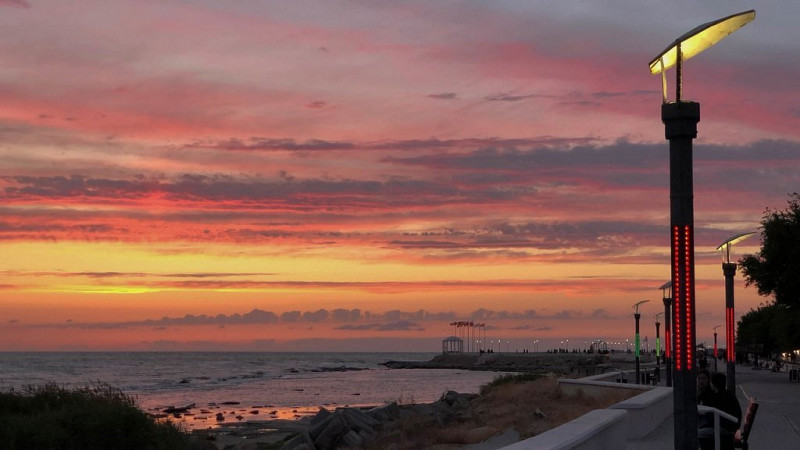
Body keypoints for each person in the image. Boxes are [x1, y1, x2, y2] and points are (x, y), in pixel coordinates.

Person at [698, 372, 741, 450]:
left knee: (698, 433)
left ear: (714, 384)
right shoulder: (727, 394)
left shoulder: (720, 397)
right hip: (731, 426)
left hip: (726, 428)